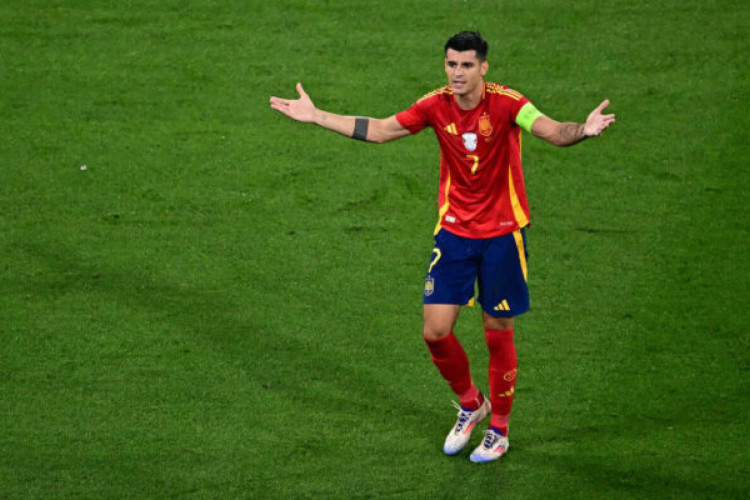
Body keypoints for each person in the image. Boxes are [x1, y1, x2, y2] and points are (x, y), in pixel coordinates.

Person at [269, 31, 615, 463]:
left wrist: (583, 129)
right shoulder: (435, 105)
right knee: (435, 331)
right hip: (454, 232)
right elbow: (380, 130)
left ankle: (500, 429)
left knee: (498, 330)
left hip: (504, 234)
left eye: (466, 65)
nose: (457, 73)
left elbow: (552, 131)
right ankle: (472, 405)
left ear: (483, 68)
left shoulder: (508, 103)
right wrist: (318, 115)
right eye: (451, 64)